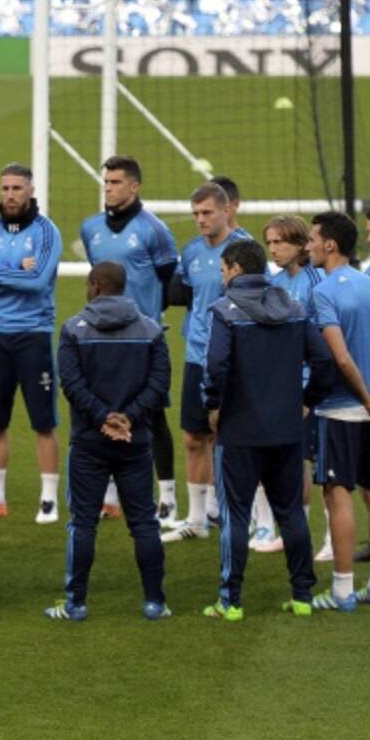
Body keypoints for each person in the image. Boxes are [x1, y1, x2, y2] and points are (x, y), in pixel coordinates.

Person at [201, 240, 331, 621]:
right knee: (291, 512)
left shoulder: (225, 311)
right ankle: (303, 595)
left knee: (236, 515)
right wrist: (307, 401)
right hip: (288, 429)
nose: (222, 276)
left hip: (239, 431)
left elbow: (216, 366)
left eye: (224, 269)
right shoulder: (293, 308)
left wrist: (213, 406)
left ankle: (231, 600)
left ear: (237, 269)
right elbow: (322, 361)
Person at [49, 261, 171, 621]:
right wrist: (128, 417)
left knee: (83, 523)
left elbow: (71, 386)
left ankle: (76, 604)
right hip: (135, 441)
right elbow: (159, 382)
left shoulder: (73, 330)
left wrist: (104, 418)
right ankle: (154, 602)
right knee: (144, 523)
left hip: (89, 441)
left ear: (96, 286)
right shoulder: (151, 330)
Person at [79, 156, 179, 524]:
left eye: (116, 182)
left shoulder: (154, 230)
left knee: (152, 415)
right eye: (106, 182)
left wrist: (149, 316)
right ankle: (108, 496)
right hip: (101, 337)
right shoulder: (91, 228)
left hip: (142, 339)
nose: (108, 188)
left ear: (135, 186)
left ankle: (167, 497)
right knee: (103, 410)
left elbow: (171, 281)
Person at [0, 163, 63, 523]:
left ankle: (49, 499)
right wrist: (15, 271)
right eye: (5, 188)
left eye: (17, 189)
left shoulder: (46, 232)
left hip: (33, 336)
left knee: (43, 421)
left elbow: (38, 281)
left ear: (31, 191)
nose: (10, 195)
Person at [163, 182, 249, 544]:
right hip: (196, 353)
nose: (200, 219)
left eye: (207, 213)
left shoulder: (243, 250)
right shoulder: (192, 251)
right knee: (193, 436)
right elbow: (186, 291)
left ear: (226, 210)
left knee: (228, 436)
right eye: (196, 213)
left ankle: (225, 509)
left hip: (231, 357)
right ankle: (197, 518)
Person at [305, 212, 370, 611]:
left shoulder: (324, 292)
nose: (309, 245)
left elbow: (341, 357)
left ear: (331, 244)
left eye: (314, 238)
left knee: (338, 493)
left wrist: (364, 396)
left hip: (341, 407)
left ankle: (343, 591)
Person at [252, 215, 323, 555]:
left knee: (315, 461)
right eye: (270, 243)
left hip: (311, 386)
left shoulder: (315, 281)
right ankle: (292, 530)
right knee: (290, 460)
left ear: (300, 244)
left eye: (280, 242)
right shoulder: (275, 282)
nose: (274, 249)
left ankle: (311, 535)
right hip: (283, 382)